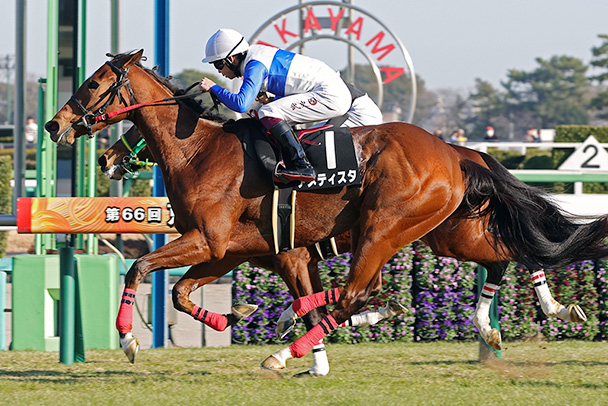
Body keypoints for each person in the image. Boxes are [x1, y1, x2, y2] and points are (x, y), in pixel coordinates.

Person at [199, 28, 353, 182]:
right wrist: (269, 99)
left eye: (218, 64)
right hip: (328, 90)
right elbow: (292, 88)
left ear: (231, 59)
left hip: (330, 94)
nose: (219, 71)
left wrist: (214, 88)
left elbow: (241, 104)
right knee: (269, 110)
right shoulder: (256, 54)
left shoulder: (255, 65)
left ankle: (302, 165)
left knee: (268, 112)